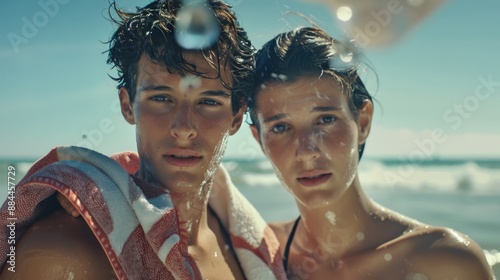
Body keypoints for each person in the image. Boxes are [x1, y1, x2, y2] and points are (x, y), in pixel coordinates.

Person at [0, 1, 285, 279]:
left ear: (236, 116)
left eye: (208, 101)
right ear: (127, 105)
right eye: (161, 98)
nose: (183, 128)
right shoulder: (65, 252)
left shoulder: (252, 247)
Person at [247, 26, 495, 279]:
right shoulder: (259, 253)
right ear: (260, 141)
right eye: (280, 127)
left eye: (326, 119)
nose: (307, 151)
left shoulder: (444, 261)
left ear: (363, 122)